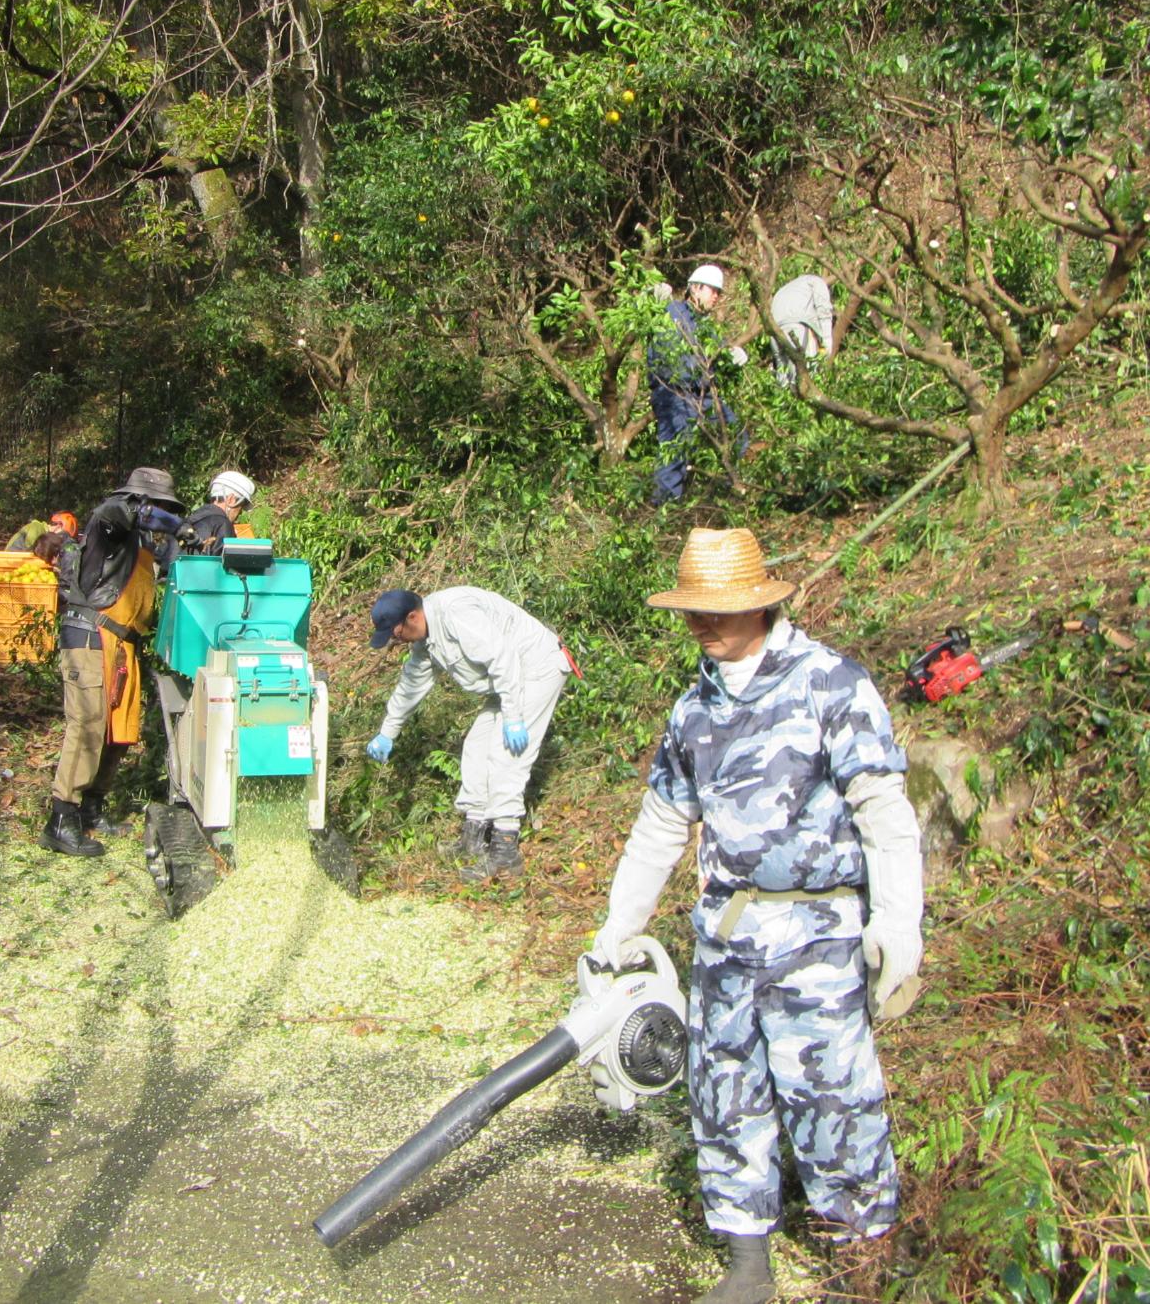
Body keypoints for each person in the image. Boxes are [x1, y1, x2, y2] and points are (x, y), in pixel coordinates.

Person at [584, 527, 923, 1304]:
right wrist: (619, 926)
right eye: (694, 610)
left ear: (762, 603)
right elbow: (662, 824)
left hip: (817, 932)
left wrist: (899, 921)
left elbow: (884, 811)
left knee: (834, 1091)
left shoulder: (830, 684)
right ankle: (747, 1263)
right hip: (727, 932)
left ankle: (860, 1256)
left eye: (720, 609)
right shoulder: (691, 712)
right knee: (724, 1089)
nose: (705, 624)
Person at [364, 586, 573, 882]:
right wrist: (387, 732)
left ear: (412, 616)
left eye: (396, 632)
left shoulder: (456, 614)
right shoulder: (426, 641)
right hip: (508, 680)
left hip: (536, 670)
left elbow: (502, 658)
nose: (395, 640)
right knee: (476, 747)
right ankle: (474, 836)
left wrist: (513, 718)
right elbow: (411, 686)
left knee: (507, 755)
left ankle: (504, 852)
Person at [44, 467, 185, 858]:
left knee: (118, 732)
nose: (158, 513)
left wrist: (186, 545)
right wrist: (179, 525)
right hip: (90, 635)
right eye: (156, 505)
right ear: (142, 501)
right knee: (88, 724)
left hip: (123, 643)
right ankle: (61, 818)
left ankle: (92, 809)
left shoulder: (143, 544)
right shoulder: (112, 518)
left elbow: (171, 566)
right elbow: (126, 513)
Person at [647, 264, 748, 506]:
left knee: (736, 435)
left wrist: (732, 357)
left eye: (718, 292)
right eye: (712, 290)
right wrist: (652, 297)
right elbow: (644, 311)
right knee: (675, 453)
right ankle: (663, 511)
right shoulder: (671, 311)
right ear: (695, 289)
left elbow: (719, 358)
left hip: (703, 396)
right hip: (673, 394)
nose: (716, 296)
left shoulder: (708, 328)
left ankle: (729, 495)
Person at [766, 273, 833, 388]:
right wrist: (827, 342)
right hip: (797, 327)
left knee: (783, 376)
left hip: (775, 332)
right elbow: (824, 312)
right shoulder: (817, 282)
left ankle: (785, 402)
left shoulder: (785, 289)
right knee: (808, 373)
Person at [176, 470, 256, 554]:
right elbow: (222, 565)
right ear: (231, 499)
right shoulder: (223, 524)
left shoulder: (191, 520)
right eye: (241, 507)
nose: (240, 513)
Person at [7, 509, 79, 552]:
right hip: (11, 560)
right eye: (61, 536)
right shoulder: (36, 528)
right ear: (58, 525)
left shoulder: (43, 533)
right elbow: (31, 553)